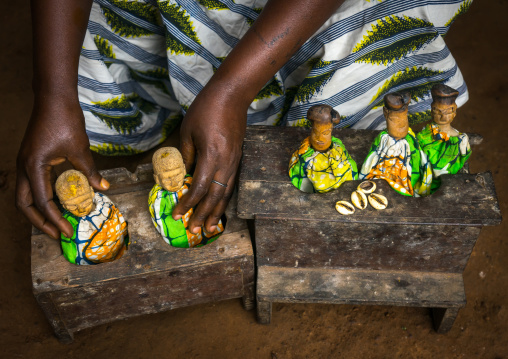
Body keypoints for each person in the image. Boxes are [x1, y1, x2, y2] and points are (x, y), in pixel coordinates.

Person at [16, 0, 473, 239]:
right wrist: (55, 95)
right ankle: (189, 89)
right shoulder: (160, 203)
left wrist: (232, 90)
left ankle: (262, 94)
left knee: (371, 30)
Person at [359, 92, 433, 197]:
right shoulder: (383, 139)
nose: (401, 126)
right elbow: (371, 160)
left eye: (404, 119)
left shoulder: (410, 141)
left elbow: (418, 162)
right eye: (394, 120)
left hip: (406, 184)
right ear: (386, 114)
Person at [149, 147, 224, 247]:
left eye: (177, 175)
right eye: (167, 179)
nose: (174, 182)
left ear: (184, 170)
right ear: (157, 179)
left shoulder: (195, 184)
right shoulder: (158, 198)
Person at [55, 169, 128, 265]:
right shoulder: (69, 223)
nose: (81, 209)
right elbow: (70, 252)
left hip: (119, 253)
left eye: (84, 201)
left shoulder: (105, 204)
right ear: (63, 206)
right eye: (73, 206)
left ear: (91, 192)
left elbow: (121, 222)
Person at [289, 104, 357, 193]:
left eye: (326, 133)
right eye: (315, 132)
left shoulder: (338, 154)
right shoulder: (304, 153)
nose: (320, 139)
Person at [417, 83, 471, 192]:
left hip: (449, 184)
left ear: (454, 112)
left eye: (448, 112)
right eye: (438, 112)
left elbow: (463, 157)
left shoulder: (460, 140)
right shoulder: (423, 135)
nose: (443, 117)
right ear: (432, 111)